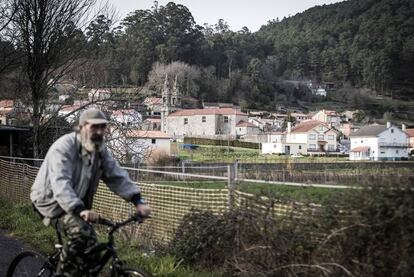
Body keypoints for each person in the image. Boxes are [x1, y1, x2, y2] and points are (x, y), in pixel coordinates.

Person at [31, 108, 150, 276]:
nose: (99, 132)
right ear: (81, 128)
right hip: (50, 202)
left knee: (93, 248)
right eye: (94, 127)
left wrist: (138, 201)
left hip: (77, 206)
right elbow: (60, 184)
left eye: (102, 127)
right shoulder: (64, 148)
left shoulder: (99, 151)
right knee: (80, 233)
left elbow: (116, 175)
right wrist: (80, 210)